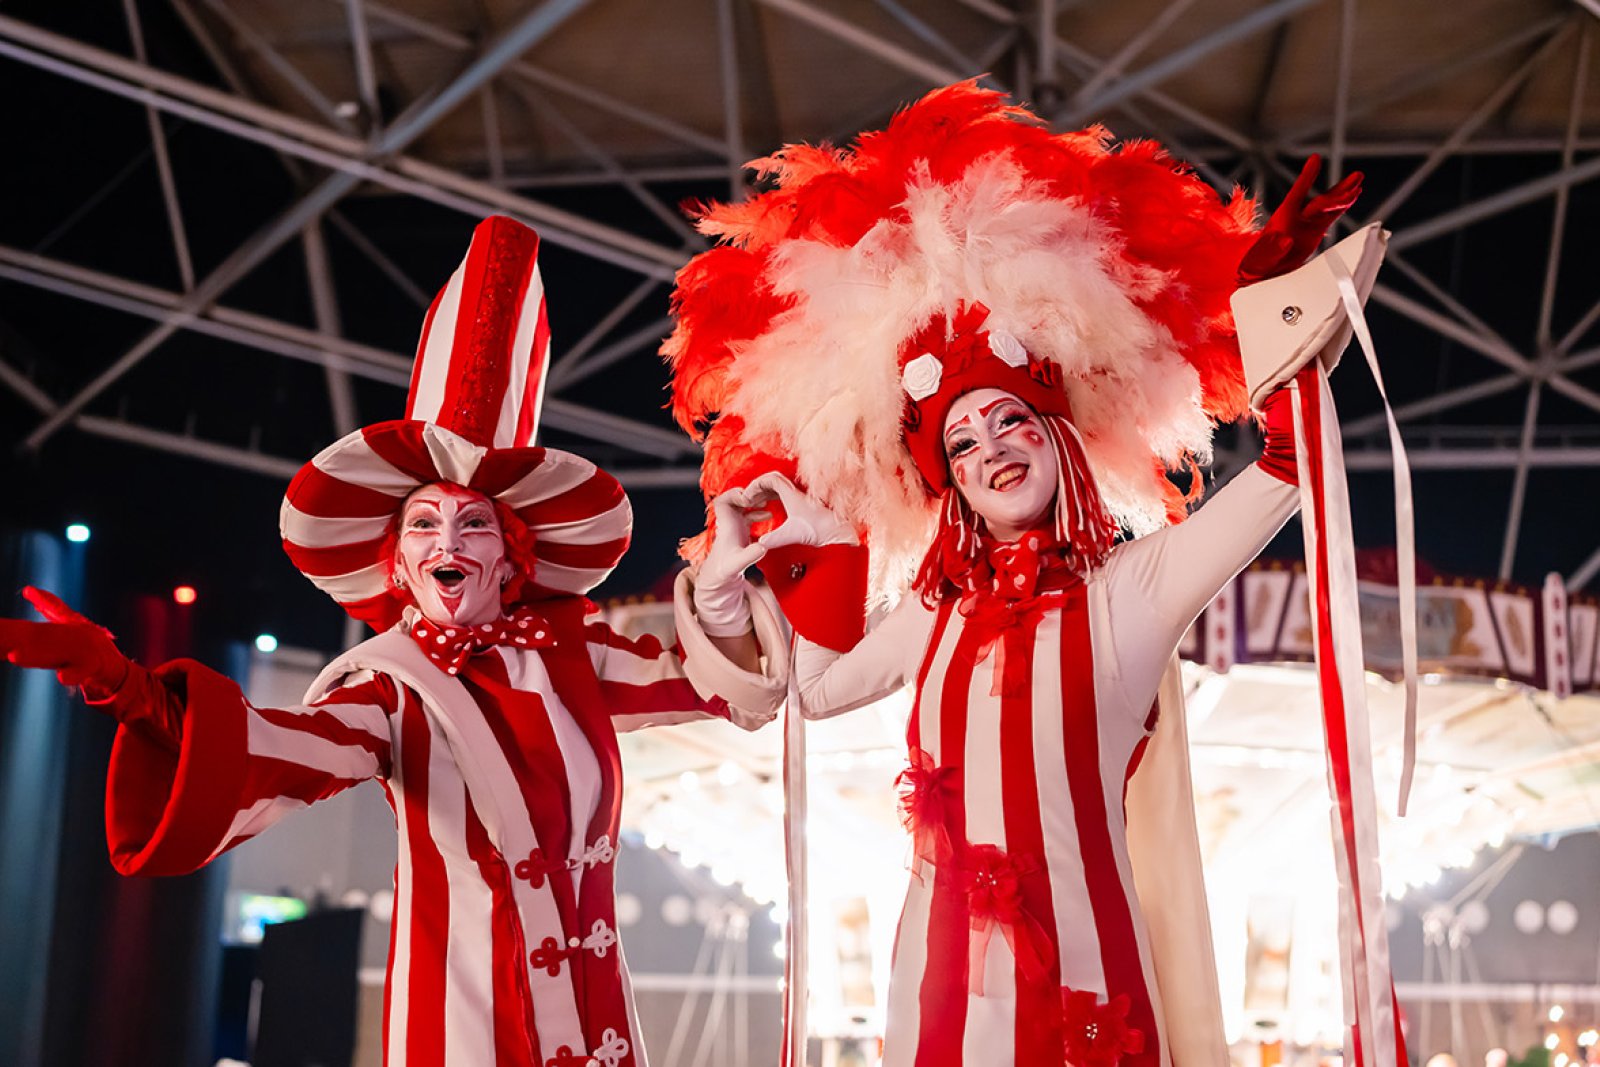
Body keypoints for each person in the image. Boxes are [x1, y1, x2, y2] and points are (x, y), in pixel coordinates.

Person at [663, 82, 1398, 1066]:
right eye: (961, 441)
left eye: (1010, 417)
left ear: (1057, 434)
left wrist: (1277, 322)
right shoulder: (936, 616)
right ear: (950, 482)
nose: (991, 446)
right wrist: (748, 581)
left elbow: (1282, 468)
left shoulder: (1129, 592)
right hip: (938, 997)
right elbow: (800, 687)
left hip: (1082, 997)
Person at [0, 216, 787, 1067]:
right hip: (463, 1036)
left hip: (601, 1035)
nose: (447, 542)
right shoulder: (387, 687)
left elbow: (719, 681)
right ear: (399, 561)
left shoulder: (574, 654)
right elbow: (279, 752)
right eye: (423, 523)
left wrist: (720, 588)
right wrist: (129, 686)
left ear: (511, 553)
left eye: (474, 522)